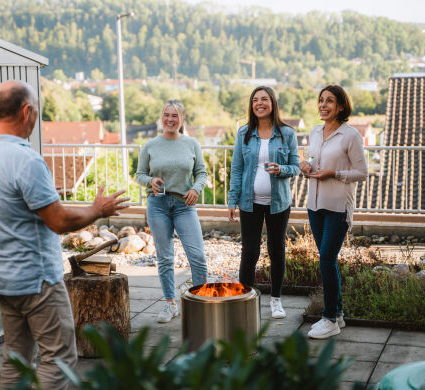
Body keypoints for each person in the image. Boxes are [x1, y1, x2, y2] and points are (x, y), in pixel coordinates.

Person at [0, 80, 129, 389]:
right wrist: (97, 210)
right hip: (37, 281)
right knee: (58, 359)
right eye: (36, 111)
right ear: (26, 111)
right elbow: (58, 220)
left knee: (16, 359)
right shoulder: (25, 160)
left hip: (3, 278)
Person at [300, 84, 368, 339]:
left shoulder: (351, 136)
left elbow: (362, 172)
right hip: (314, 205)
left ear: (341, 106)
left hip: (338, 207)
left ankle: (329, 318)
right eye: (321, 100)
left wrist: (334, 173)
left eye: (329, 101)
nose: (323, 105)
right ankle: (337, 314)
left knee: (326, 260)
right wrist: (304, 165)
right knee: (328, 261)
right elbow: (311, 160)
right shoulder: (315, 132)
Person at [227, 86, 300, 319]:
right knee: (249, 252)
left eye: (264, 99)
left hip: (279, 202)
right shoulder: (244, 133)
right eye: (255, 100)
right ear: (251, 105)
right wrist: (231, 200)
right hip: (249, 202)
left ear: (272, 103)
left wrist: (281, 169)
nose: (259, 103)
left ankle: (276, 301)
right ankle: (243, 298)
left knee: (276, 250)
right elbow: (237, 168)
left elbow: (296, 167)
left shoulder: (287, 133)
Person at [136, 99, 209, 323]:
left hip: (184, 206)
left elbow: (202, 173)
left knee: (197, 257)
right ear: (162, 117)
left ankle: (201, 303)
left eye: (175, 115)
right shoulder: (150, 146)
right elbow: (139, 175)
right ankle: (170, 304)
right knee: (165, 258)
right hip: (157, 205)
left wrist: (196, 189)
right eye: (167, 115)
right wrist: (151, 180)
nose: (170, 119)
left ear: (182, 119)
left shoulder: (191, 144)